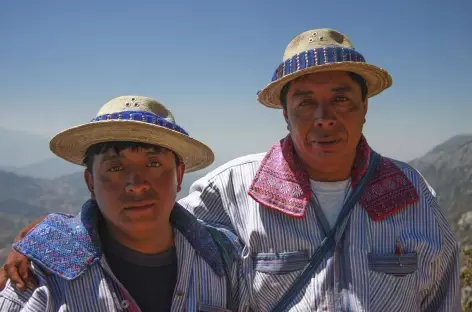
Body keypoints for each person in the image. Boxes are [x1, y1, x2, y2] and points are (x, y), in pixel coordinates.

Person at [1, 28, 461, 311]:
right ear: (285, 113)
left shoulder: (412, 193)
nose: (324, 117)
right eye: (305, 102)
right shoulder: (233, 188)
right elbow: (143, 216)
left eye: (341, 99)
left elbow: (441, 296)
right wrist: (54, 236)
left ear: (364, 109)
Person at [0, 95, 248, 312]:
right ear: (91, 183)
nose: (136, 184)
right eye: (115, 167)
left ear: (179, 175)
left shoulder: (226, 261)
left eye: (153, 164)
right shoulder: (41, 271)